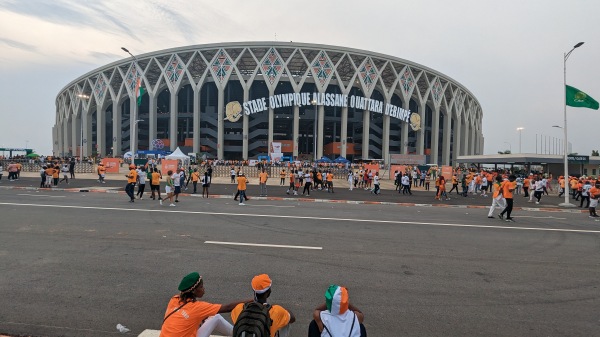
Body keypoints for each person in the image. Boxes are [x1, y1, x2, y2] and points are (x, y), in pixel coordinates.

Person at [159, 272, 251, 337]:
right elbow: (228, 308)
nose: (204, 289)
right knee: (216, 317)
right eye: (201, 287)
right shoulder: (197, 307)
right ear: (194, 291)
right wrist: (254, 299)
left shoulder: (174, 299)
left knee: (204, 318)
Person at [231, 274, 295, 337]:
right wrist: (285, 311)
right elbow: (292, 318)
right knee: (285, 322)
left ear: (254, 291)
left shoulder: (239, 308)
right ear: (268, 292)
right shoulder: (276, 311)